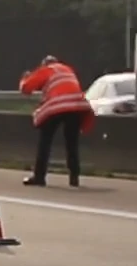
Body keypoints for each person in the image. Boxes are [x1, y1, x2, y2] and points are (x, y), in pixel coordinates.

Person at [17, 55, 94, 187]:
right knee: (72, 143)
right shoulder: (68, 69)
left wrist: (25, 78)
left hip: (57, 105)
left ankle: (39, 177)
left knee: (45, 141)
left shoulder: (46, 70)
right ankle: (74, 178)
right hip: (77, 106)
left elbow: (26, 88)